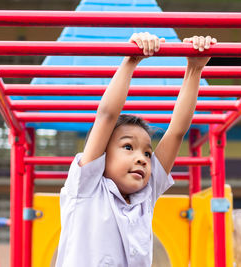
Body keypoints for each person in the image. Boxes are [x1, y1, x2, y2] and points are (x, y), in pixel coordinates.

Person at [56, 32, 216, 267]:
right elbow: (107, 116)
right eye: (128, 147)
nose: (142, 159)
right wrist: (131, 60)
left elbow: (176, 132)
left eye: (147, 154)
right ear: (102, 155)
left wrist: (194, 69)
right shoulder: (86, 186)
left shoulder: (145, 196)